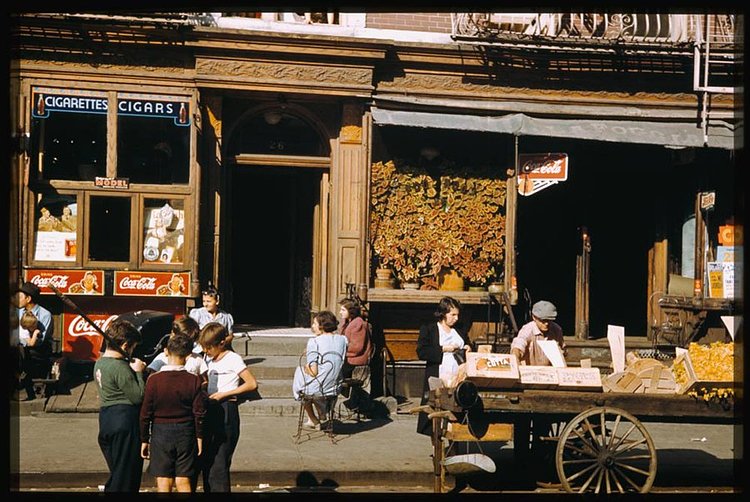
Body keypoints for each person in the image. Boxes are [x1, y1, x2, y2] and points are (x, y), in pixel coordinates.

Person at [140, 333, 208, 493]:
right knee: (184, 479)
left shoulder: (154, 380)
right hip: (186, 431)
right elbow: (199, 412)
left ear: (165, 351)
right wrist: (199, 436)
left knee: (163, 480)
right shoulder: (194, 380)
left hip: (160, 432)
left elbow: (145, 413)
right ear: (189, 355)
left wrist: (144, 438)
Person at [198, 322, 257, 492]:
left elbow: (251, 384)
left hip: (225, 407)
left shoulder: (233, 358)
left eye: (210, 347)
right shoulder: (207, 358)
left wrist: (226, 394)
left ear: (221, 343)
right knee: (207, 459)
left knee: (220, 461)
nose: (207, 351)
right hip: (209, 405)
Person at [93, 319, 147, 492]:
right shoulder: (119, 367)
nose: (132, 352)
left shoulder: (99, 363)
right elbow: (138, 396)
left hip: (106, 419)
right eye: (132, 347)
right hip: (125, 420)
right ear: (125, 345)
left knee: (118, 471)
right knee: (126, 477)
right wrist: (139, 373)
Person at [415, 296, 472, 436]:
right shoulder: (430, 329)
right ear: (443, 313)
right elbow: (422, 352)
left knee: (456, 410)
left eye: (457, 315)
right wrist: (443, 349)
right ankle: (436, 445)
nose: (456, 318)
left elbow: (468, 343)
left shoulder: (459, 330)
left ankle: (454, 444)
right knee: (436, 410)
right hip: (438, 375)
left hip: (457, 376)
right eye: (452, 315)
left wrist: (468, 347)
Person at [292, 310, 347, 431]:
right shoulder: (343, 340)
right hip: (335, 386)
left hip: (318, 387)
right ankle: (321, 410)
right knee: (318, 380)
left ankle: (313, 418)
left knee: (300, 376)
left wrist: (306, 367)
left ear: (322, 326)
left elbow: (314, 372)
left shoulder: (314, 342)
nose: (312, 326)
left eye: (314, 324)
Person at [16, 282, 54, 398]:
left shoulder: (45, 315)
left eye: (20, 297)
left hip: (38, 350)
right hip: (20, 346)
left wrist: (21, 340)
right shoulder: (17, 312)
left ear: (28, 299)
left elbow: (39, 341)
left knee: (18, 351)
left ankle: (21, 385)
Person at [510, 300, 567, 366]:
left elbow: (563, 350)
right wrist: (516, 357)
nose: (546, 324)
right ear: (534, 317)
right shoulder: (528, 329)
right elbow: (518, 345)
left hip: (550, 371)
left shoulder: (556, 329)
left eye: (549, 320)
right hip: (529, 370)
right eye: (543, 321)